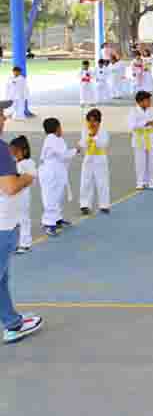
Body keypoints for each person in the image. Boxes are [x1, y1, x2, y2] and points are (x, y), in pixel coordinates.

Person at [0, 108, 42, 344]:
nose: (4, 118)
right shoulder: (0, 150)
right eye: (0, 114)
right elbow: (10, 187)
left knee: (2, 279)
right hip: (2, 226)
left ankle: (12, 323)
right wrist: (26, 176)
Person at [39, 117, 79, 236]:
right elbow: (64, 155)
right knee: (50, 197)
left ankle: (57, 219)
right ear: (57, 128)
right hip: (50, 172)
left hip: (57, 171)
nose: (62, 129)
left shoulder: (58, 139)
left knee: (58, 196)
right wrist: (76, 150)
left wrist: (73, 152)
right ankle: (49, 223)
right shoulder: (51, 139)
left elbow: (62, 156)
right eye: (60, 127)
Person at [78, 108, 111, 215]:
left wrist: (95, 137)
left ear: (99, 121)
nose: (91, 123)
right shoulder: (85, 130)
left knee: (102, 182)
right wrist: (80, 145)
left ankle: (104, 205)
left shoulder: (103, 131)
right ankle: (85, 204)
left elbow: (103, 144)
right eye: (89, 121)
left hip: (100, 158)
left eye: (94, 121)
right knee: (86, 181)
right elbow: (83, 143)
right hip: (88, 157)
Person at [128, 91, 153, 190]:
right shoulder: (133, 112)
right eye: (148, 100)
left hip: (151, 137)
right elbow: (132, 126)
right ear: (140, 102)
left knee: (152, 161)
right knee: (140, 162)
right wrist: (145, 123)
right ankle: (140, 182)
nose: (150, 102)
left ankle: (152, 182)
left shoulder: (151, 111)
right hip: (139, 138)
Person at [9, 136, 35, 253]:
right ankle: (17, 242)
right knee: (14, 219)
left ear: (24, 151)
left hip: (23, 195)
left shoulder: (28, 163)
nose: (13, 154)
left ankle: (25, 243)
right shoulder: (15, 163)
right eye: (12, 151)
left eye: (16, 151)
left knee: (23, 218)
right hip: (14, 196)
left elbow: (32, 176)